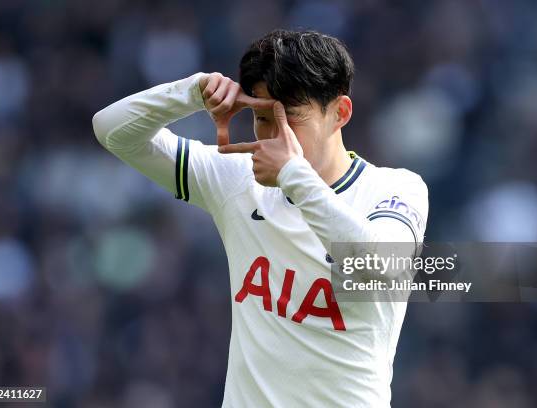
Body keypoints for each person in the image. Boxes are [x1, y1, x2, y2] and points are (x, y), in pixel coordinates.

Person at [93, 28, 428, 408]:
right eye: (262, 117)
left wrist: (293, 176)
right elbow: (112, 131)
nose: (272, 137)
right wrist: (190, 93)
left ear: (340, 113)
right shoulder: (237, 179)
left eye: (292, 118)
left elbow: (381, 267)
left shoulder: (395, 189)